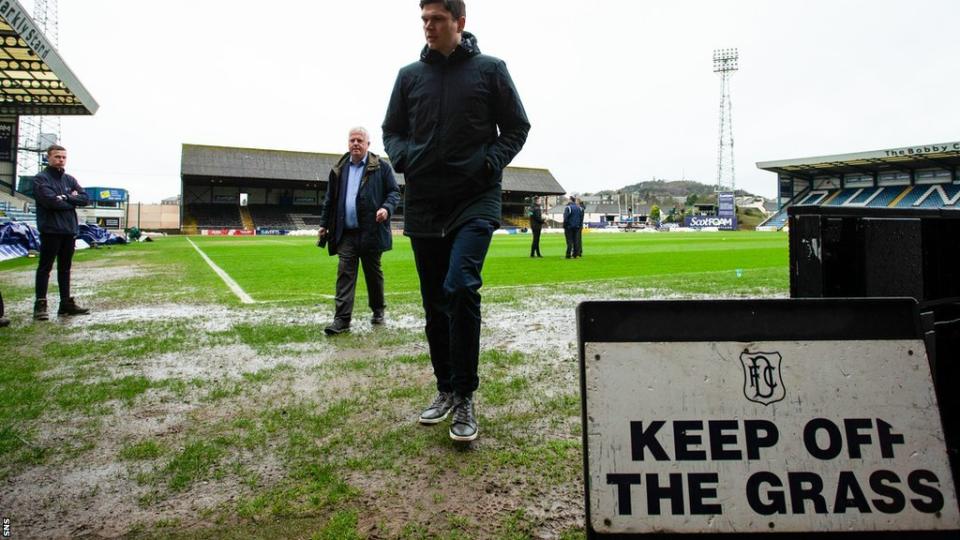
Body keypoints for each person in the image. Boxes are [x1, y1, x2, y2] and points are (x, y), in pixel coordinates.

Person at [383, 0, 530, 442]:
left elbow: (518, 127)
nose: (428, 26)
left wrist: (490, 164)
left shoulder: (490, 70)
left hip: (475, 199)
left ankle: (465, 396)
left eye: (437, 19)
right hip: (425, 202)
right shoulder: (409, 77)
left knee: (461, 286)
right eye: (424, 19)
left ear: (459, 22)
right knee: (434, 302)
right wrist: (406, 157)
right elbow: (391, 131)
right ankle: (445, 388)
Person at [318, 127, 400, 336]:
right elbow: (330, 200)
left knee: (373, 274)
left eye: (359, 140)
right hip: (346, 233)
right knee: (344, 274)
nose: (355, 143)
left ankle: (378, 310)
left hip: (372, 231)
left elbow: (393, 192)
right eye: (352, 140)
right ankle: (342, 320)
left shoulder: (381, 167)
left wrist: (386, 208)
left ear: (367, 144)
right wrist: (323, 224)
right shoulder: (339, 168)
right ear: (348, 143)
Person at [33, 144, 90, 321]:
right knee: (45, 267)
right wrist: (72, 201)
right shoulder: (40, 179)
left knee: (65, 268)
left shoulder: (70, 179)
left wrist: (66, 197)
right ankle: (40, 304)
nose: (61, 160)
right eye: (57, 156)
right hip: (51, 230)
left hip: (69, 230)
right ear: (48, 157)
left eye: (64, 157)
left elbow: (85, 199)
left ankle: (65, 304)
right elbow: (50, 202)